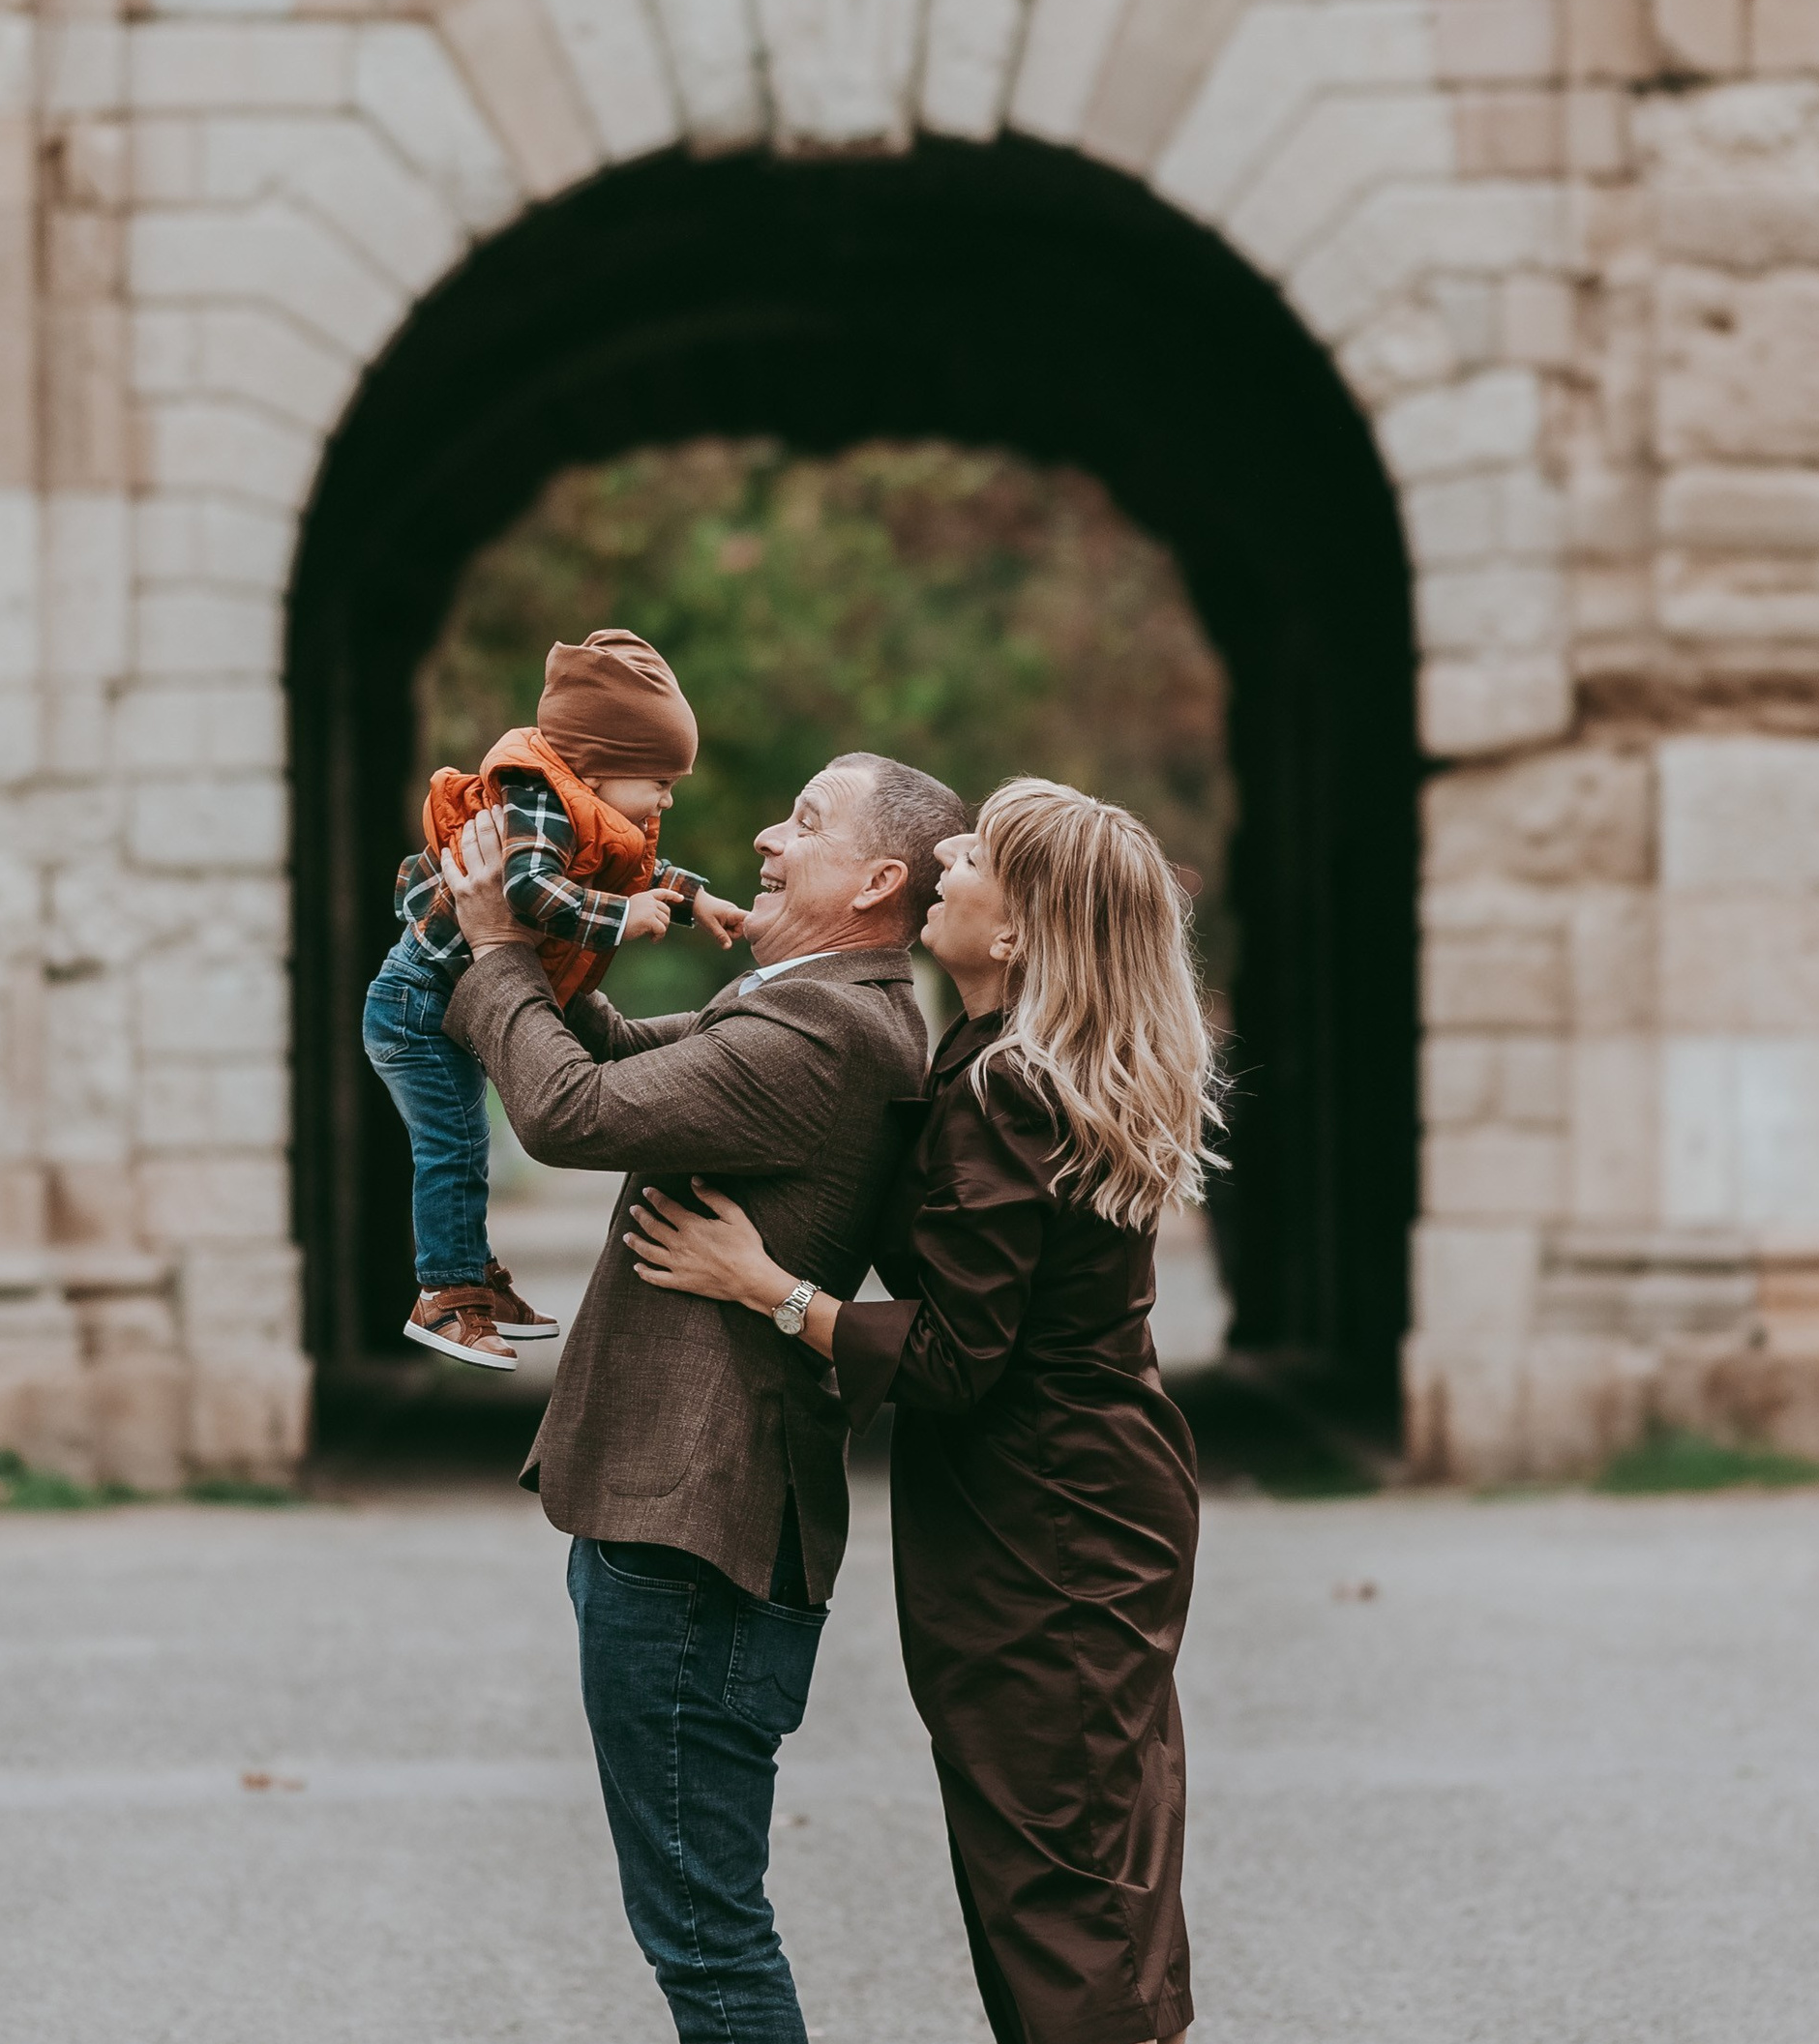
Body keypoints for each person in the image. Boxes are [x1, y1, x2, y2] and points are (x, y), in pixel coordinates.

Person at [630, 778, 1217, 2044]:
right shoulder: (1011, 1059)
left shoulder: (1014, 1088)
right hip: (1082, 1502)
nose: (949, 850)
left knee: (1059, 1886)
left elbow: (956, 1358)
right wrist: (761, 937)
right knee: (1092, 1860)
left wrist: (768, 1290)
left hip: (1045, 1530)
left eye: (984, 853)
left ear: (1016, 938)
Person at [438, 752, 969, 2044]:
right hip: (693, 1527)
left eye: (805, 821)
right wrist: (564, 922)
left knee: (707, 1940)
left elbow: (565, 1113)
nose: (766, 838)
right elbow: (616, 1065)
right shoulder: (809, 1001)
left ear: (879, 879)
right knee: (701, 1926)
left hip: (695, 1535)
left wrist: (500, 950)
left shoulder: (829, 1029)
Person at [364, 628, 749, 1372]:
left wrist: (695, 898)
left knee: (465, 1144)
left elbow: (636, 865)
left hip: (439, 1006)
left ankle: (470, 1274)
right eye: (660, 782)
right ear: (600, 770)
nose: (667, 798)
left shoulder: (586, 808)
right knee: (455, 1146)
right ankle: (446, 1296)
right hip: (417, 1009)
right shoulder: (536, 797)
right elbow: (529, 890)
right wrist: (621, 917)